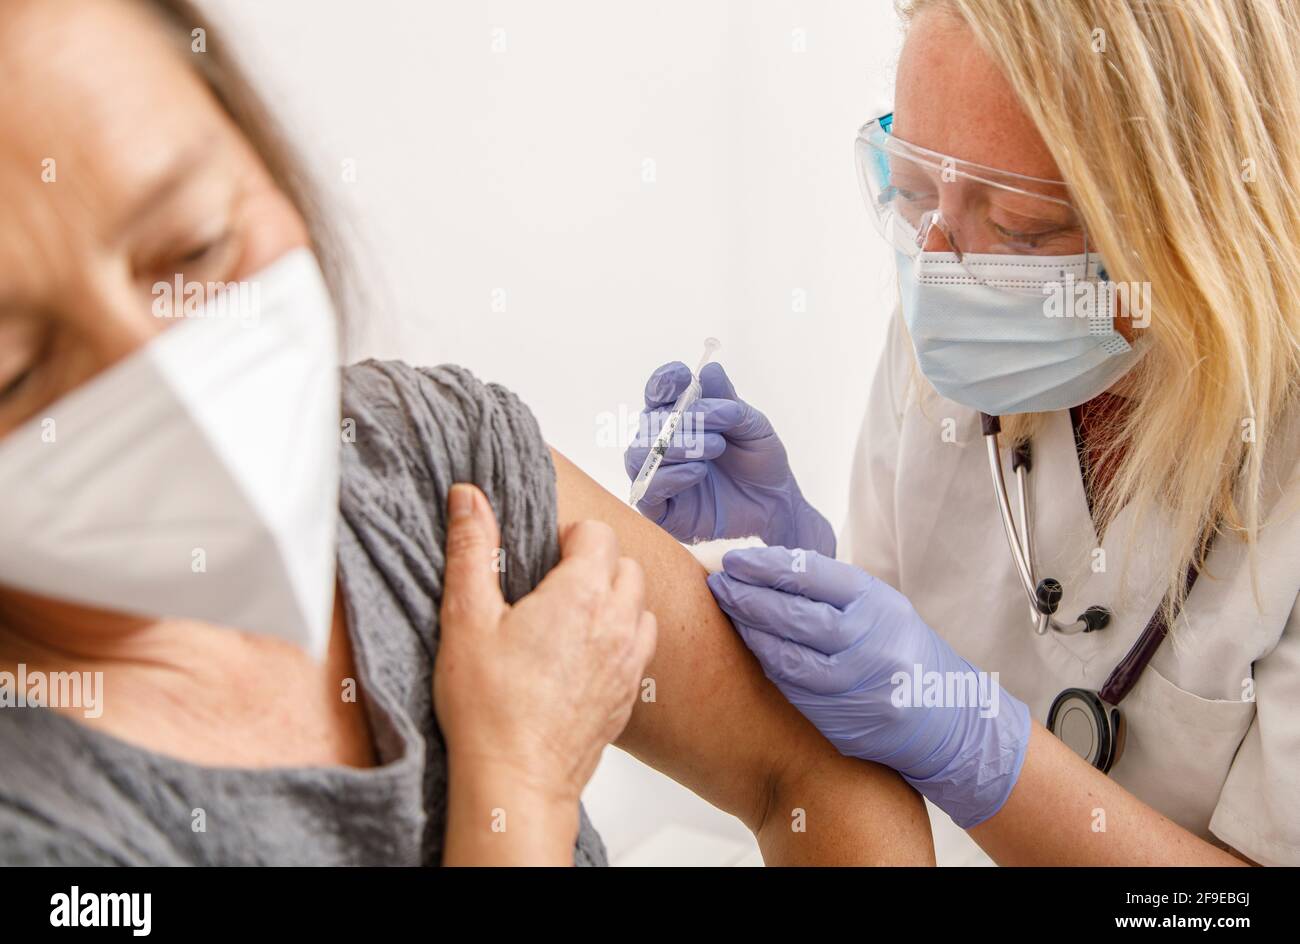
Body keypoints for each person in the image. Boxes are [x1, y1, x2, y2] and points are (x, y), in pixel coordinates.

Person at [0, 0, 936, 866]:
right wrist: (516, 785)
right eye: (13, 370)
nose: (170, 388)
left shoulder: (430, 457)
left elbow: (814, 772)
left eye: (198, 245)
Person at [629, 0, 1300, 866]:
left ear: (1201, 223)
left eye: (1021, 230)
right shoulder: (957, 329)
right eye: (912, 191)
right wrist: (779, 579)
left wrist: (978, 750)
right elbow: (858, 714)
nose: (940, 264)